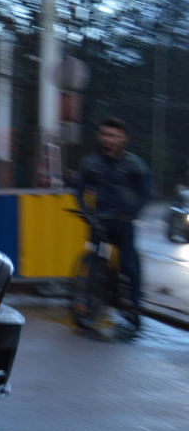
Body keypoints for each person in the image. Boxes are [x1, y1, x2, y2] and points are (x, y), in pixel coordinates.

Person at [74, 117, 151, 331]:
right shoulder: (91, 163)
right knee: (94, 262)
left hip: (123, 223)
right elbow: (79, 189)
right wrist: (85, 211)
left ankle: (134, 309)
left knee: (129, 265)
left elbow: (145, 194)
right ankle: (88, 306)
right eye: (105, 134)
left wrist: (131, 213)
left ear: (124, 139)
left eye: (113, 135)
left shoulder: (135, 165)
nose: (108, 139)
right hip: (99, 221)